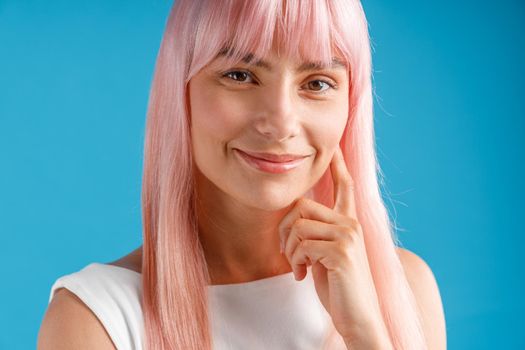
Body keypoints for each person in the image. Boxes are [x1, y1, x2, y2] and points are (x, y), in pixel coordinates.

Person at [38, 0, 447, 349]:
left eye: (318, 83)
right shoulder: (94, 321)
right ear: (180, 91)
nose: (281, 122)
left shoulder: (404, 287)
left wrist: (366, 335)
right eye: (239, 75)